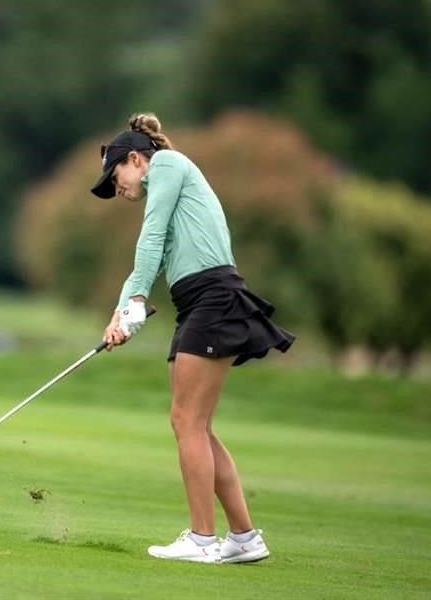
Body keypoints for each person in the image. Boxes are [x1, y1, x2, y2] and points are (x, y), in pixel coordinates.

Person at [92, 113, 294, 563]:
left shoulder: (167, 165)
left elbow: (151, 236)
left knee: (187, 422)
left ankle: (203, 539)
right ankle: (244, 538)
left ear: (135, 159)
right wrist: (120, 313)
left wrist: (139, 299)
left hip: (214, 298)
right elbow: (151, 254)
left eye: (115, 176)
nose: (116, 188)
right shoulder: (164, 185)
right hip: (200, 303)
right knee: (194, 425)